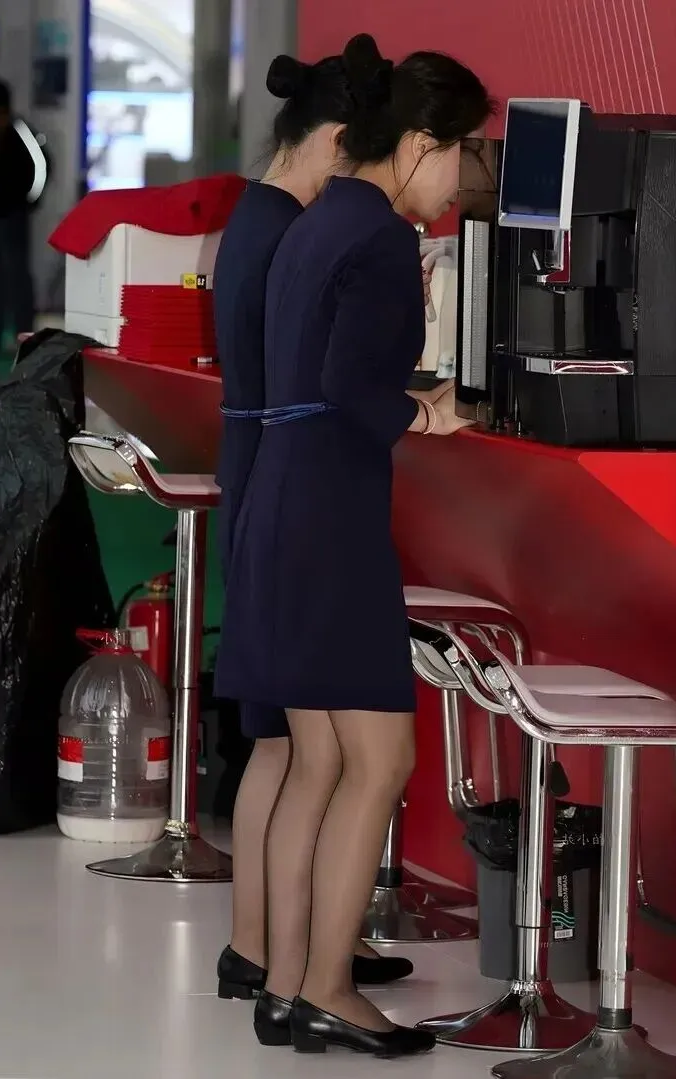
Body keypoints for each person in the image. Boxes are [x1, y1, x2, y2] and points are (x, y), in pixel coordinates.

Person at [217, 33, 495, 1057]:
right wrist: (425, 413)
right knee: (380, 759)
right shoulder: (376, 236)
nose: (462, 183)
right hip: (330, 517)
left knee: (321, 759)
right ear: (419, 142)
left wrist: (398, 402)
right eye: (462, 154)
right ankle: (328, 985)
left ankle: (289, 984)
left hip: (283, 499)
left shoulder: (318, 216)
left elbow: (314, 367)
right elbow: (347, 385)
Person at [0, 78, 46, 350]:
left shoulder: (21, 133)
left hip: (14, 215)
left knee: (17, 276)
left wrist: (29, 202)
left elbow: (41, 166)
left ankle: (24, 335)